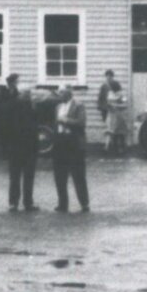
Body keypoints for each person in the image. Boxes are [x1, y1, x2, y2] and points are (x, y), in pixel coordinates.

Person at [0, 74, 40, 213]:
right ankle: (15, 202)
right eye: (27, 93)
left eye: (29, 93)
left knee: (27, 176)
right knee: (15, 176)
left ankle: (26, 202)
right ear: (20, 93)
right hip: (16, 146)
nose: (29, 95)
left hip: (29, 146)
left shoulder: (31, 106)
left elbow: (36, 126)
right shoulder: (11, 106)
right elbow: (5, 127)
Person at [51, 84, 89, 212]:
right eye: (59, 93)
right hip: (60, 142)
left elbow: (81, 122)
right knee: (60, 175)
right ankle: (62, 203)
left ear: (68, 93)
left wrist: (65, 120)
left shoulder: (78, 105)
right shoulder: (58, 107)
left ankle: (84, 203)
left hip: (74, 142)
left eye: (61, 93)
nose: (59, 95)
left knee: (78, 174)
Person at [97, 69, 130, 155]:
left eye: (110, 76)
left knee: (119, 129)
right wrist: (103, 109)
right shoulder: (104, 86)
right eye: (107, 76)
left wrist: (119, 102)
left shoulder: (116, 85)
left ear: (112, 76)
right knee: (110, 129)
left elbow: (122, 99)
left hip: (117, 111)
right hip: (108, 111)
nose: (109, 77)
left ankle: (120, 146)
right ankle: (111, 147)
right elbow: (101, 99)